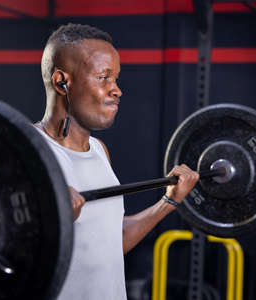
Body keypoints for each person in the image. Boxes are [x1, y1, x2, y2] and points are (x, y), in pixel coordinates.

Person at [34, 23, 199, 300]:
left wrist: (169, 202)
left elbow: (113, 238)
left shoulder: (99, 150)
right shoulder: (29, 152)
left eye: (116, 79)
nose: (117, 90)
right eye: (103, 77)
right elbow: (2, 255)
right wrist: (53, 224)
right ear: (62, 81)